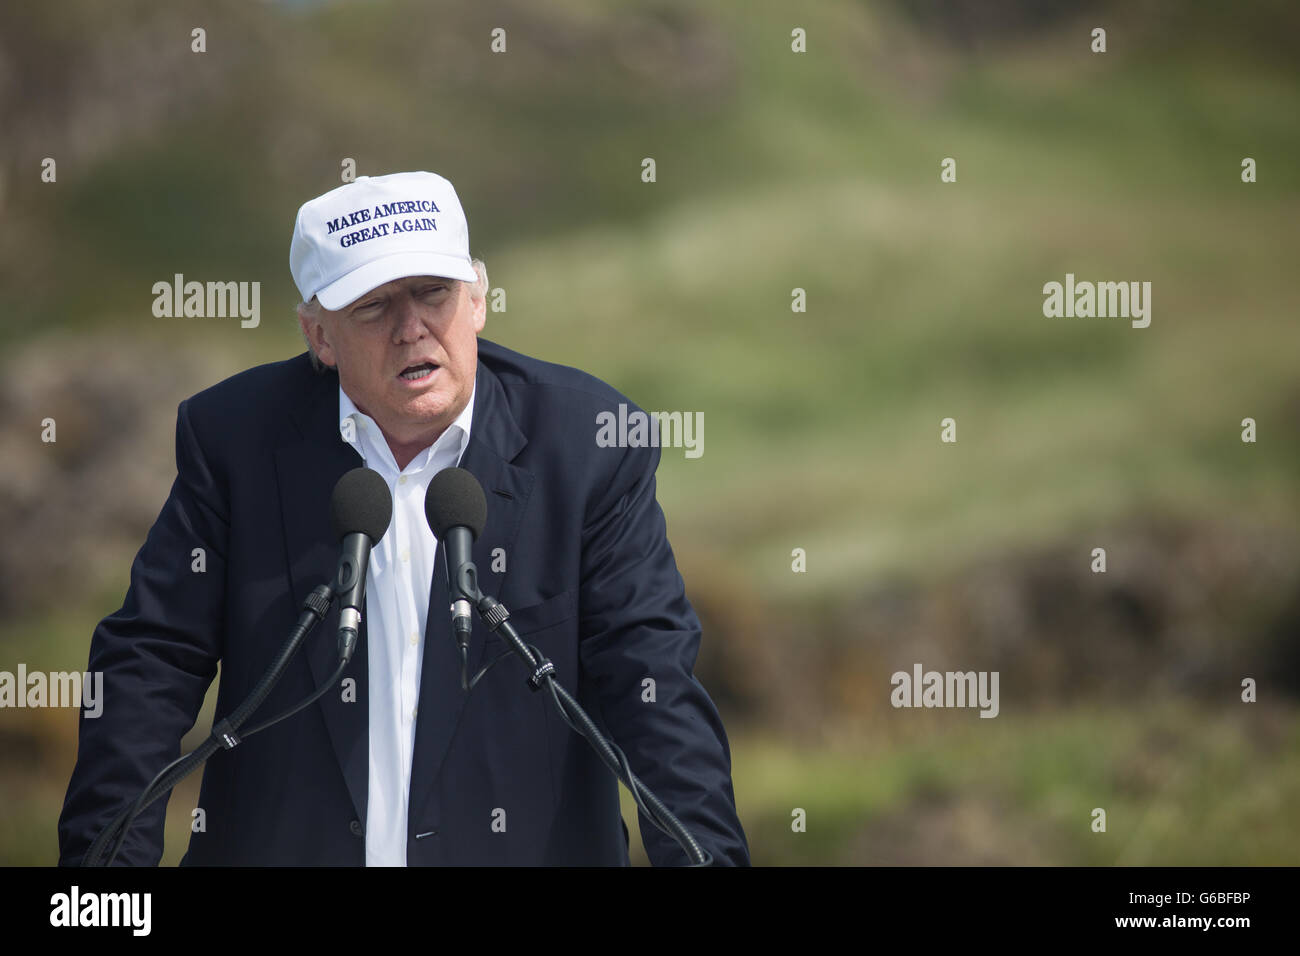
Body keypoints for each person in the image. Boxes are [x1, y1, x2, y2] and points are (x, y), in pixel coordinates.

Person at [57, 170, 749, 866]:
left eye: (432, 294)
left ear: (477, 300)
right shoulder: (235, 441)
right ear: (318, 336)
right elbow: (147, 667)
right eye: (374, 306)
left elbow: (651, 684)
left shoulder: (588, 445)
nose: (411, 328)